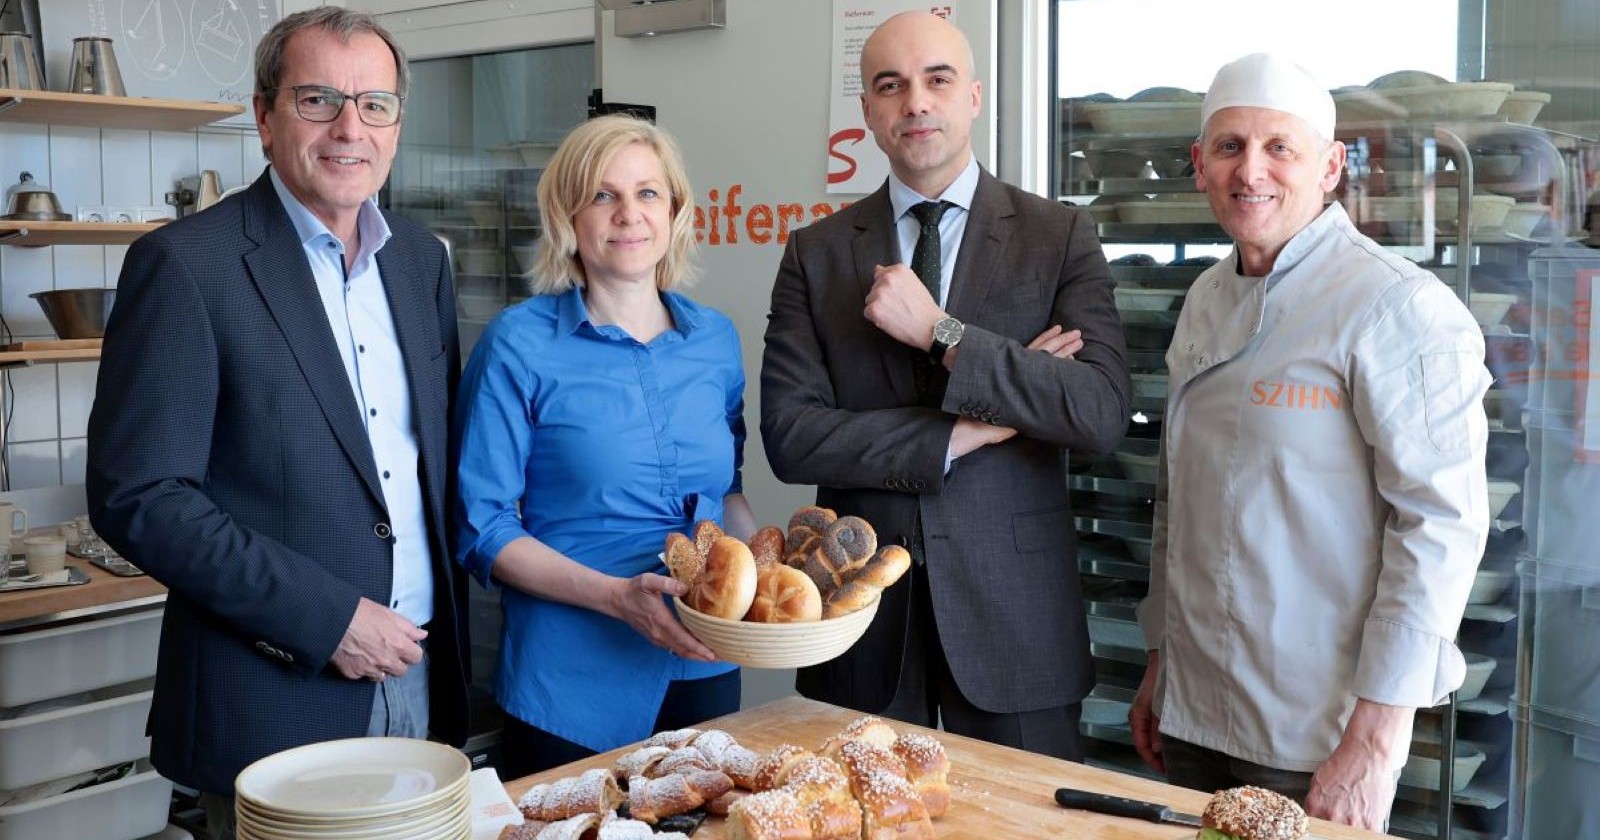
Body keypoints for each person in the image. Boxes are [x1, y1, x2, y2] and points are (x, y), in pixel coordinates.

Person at [85, 9, 468, 839]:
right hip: (275, 693)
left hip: (421, 675)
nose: (348, 129)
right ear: (263, 117)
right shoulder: (187, 265)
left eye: (375, 105)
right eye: (317, 100)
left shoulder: (420, 263)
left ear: (398, 123)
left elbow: (424, 470)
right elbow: (140, 495)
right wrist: (330, 619)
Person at [1129, 52, 1491, 830]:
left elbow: (1442, 529)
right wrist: (1162, 660)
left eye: (1278, 148)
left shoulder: (1396, 307)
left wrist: (1374, 741)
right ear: (1199, 165)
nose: (1249, 171)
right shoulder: (1203, 297)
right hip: (1194, 712)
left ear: (1330, 168)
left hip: (1315, 734)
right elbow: (1182, 499)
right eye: (1228, 147)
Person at [760, 10, 1131, 761]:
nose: (915, 103)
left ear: (974, 96)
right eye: (890, 87)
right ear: (867, 113)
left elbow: (1097, 411)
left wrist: (945, 335)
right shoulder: (817, 253)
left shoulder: (1057, 236)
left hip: (1017, 623)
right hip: (861, 621)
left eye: (937, 80)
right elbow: (792, 437)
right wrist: (967, 431)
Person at [453, 114, 754, 778]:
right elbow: (484, 527)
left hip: (706, 663)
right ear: (568, 215)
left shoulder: (717, 340)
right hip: (570, 684)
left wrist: (768, 582)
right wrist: (617, 597)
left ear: (675, 211)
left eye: (648, 193)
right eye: (603, 195)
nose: (628, 214)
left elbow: (727, 494)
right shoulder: (517, 344)